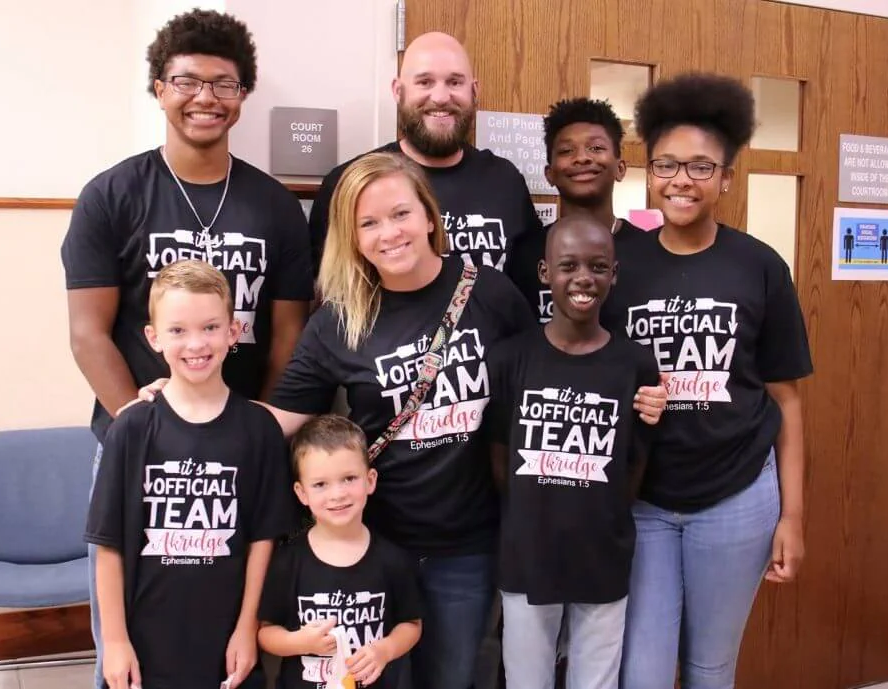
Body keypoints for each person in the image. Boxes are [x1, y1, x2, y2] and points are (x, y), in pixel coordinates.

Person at [138, 151, 667, 689]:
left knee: (456, 676)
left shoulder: (487, 292)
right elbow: (279, 419)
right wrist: (190, 396)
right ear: (353, 236)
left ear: (429, 216)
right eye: (368, 223)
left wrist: (639, 399)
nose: (388, 233)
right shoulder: (338, 321)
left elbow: (550, 370)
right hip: (378, 545)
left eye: (400, 214)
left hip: (471, 543)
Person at [60, 10, 313, 687]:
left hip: (238, 450)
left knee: (229, 631)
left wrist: (255, 426)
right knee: (127, 646)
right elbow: (88, 331)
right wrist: (138, 426)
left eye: (224, 84)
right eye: (187, 81)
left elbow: (290, 332)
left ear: (243, 95)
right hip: (133, 444)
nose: (205, 97)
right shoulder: (111, 195)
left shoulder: (276, 207)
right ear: (158, 88)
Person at [612, 73, 813, 689]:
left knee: (708, 665)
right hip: (644, 499)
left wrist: (793, 517)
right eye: (667, 164)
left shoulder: (759, 267)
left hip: (738, 500)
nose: (682, 180)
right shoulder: (622, 265)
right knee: (641, 671)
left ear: (727, 177)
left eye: (702, 167)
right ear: (649, 172)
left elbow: (786, 399)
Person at [85, 260, 299, 689]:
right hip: (145, 645)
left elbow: (263, 541)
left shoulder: (258, 430)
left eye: (210, 327)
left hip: (225, 643)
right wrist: (115, 641)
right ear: (154, 337)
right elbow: (109, 547)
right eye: (178, 330)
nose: (196, 344)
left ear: (233, 331)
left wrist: (247, 627)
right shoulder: (131, 428)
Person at [488, 216, 660, 689]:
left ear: (614, 274)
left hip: (602, 552)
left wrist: (593, 510)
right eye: (568, 265)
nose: (583, 278)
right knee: (527, 679)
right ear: (545, 272)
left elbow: (634, 464)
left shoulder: (635, 363)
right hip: (528, 555)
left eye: (598, 266)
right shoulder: (510, 359)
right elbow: (501, 459)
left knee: (596, 680)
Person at [308, 31, 542, 275]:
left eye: (454, 82)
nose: (440, 97)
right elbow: (328, 294)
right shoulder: (350, 182)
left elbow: (528, 292)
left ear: (474, 91)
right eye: (425, 82)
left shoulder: (505, 181)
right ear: (398, 91)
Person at [258, 415, 424, 689]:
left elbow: (411, 624)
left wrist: (386, 650)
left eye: (348, 478)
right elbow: (267, 632)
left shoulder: (393, 559)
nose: (337, 494)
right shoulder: (288, 561)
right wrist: (298, 642)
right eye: (320, 484)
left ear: (370, 480)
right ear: (301, 493)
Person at [506, 97, 647, 325]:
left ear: (620, 169)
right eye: (566, 150)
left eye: (596, 148)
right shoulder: (526, 254)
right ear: (549, 174)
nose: (582, 158)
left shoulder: (649, 250)